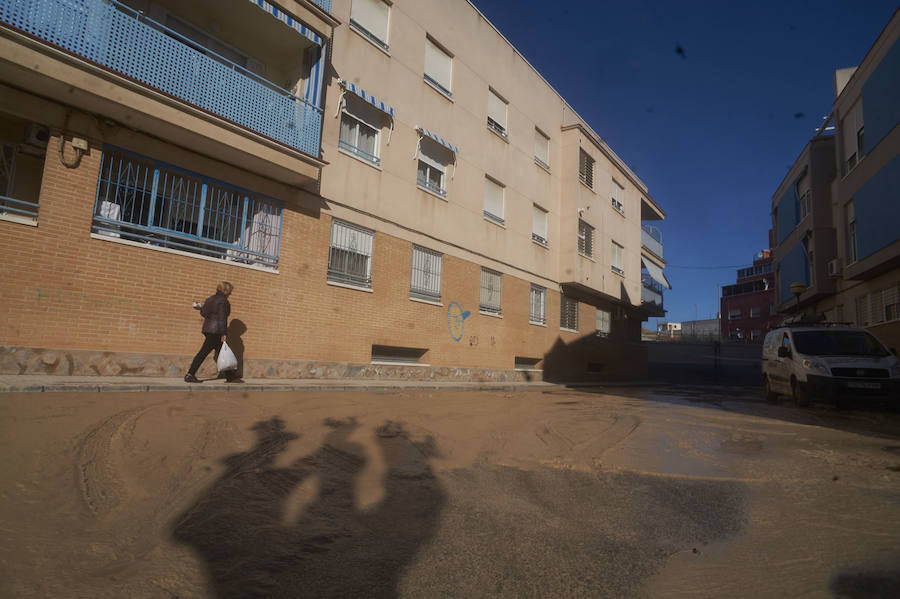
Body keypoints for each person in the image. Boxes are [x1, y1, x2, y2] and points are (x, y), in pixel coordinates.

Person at [185, 281, 233, 383]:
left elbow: (203, 313)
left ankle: (230, 376)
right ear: (226, 290)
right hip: (216, 331)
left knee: (222, 351)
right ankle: (190, 374)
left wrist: (204, 309)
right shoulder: (223, 301)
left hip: (208, 329)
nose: (231, 293)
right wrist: (224, 333)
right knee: (203, 353)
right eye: (230, 291)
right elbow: (222, 318)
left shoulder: (210, 299)